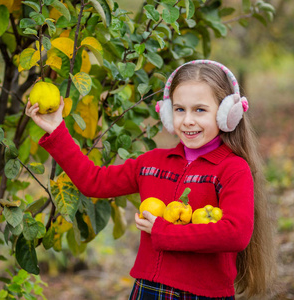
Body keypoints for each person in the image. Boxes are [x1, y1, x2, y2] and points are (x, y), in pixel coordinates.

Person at [26, 60, 275, 299]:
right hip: (150, 290)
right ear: (168, 113)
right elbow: (94, 181)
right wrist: (56, 129)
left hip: (203, 295)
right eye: (179, 109)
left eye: (200, 109)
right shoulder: (152, 163)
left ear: (225, 114)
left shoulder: (232, 169)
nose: (188, 120)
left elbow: (236, 234)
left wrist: (163, 232)